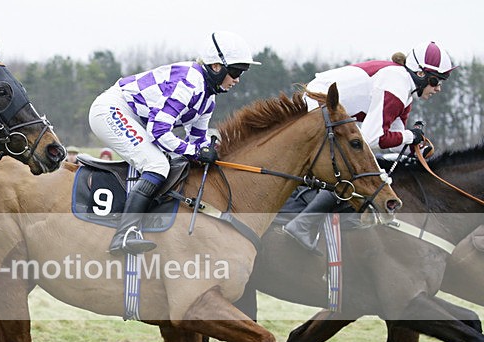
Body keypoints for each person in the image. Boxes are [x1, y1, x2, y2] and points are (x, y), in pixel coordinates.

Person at [89, 31, 260, 255]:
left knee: (177, 163)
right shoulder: (190, 83)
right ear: (217, 66)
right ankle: (124, 234)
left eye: (241, 74)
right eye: (235, 71)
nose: (237, 80)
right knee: (157, 165)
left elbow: (196, 141)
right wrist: (195, 152)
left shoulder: (208, 98)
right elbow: (159, 131)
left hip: (135, 118)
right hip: (112, 110)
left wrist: (207, 151)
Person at [282, 41, 455, 254]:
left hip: (324, 110)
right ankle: (303, 224)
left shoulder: (405, 89)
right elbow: (374, 138)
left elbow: (396, 134)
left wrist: (414, 147)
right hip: (315, 108)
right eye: (436, 80)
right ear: (420, 74)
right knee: (356, 169)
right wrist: (411, 136)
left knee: (366, 166)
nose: (438, 88)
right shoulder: (397, 82)